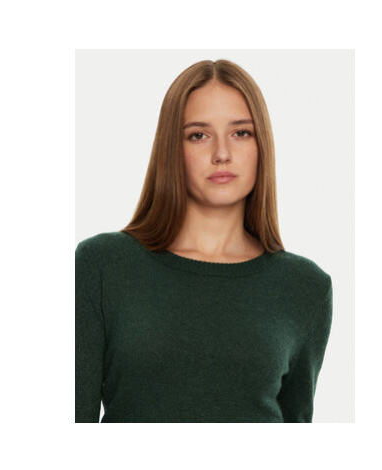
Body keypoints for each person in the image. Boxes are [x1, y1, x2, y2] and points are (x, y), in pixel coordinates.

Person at [75, 59, 333, 423]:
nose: (222, 153)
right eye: (199, 135)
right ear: (172, 149)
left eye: (241, 132)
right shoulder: (101, 266)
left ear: (262, 145)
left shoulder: (306, 287)